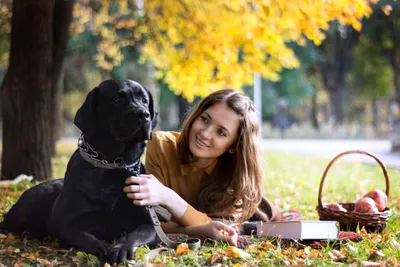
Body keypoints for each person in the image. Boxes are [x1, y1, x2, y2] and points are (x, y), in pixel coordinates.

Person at [123, 89, 281, 246]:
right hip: (199, 214)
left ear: (234, 146)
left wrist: (168, 197)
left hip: (242, 208)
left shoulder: (236, 179)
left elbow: (220, 230)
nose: (205, 133)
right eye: (205, 119)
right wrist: (195, 229)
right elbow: (150, 221)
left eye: (221, 132)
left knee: (259, 211)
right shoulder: (160, 145)